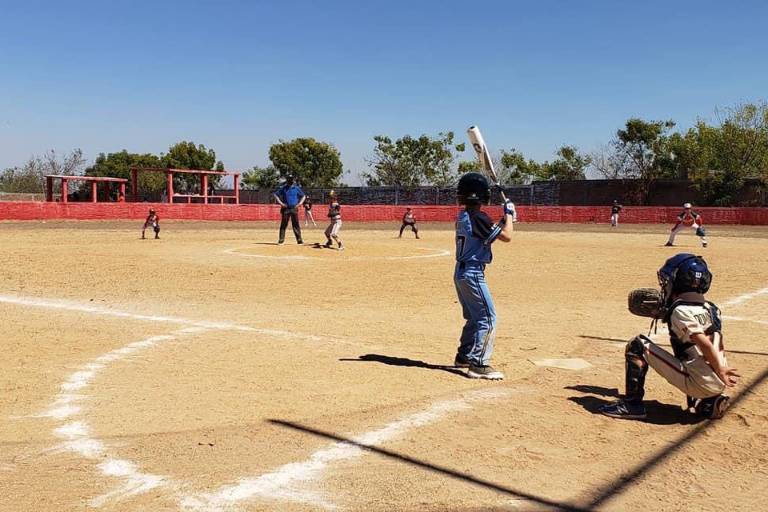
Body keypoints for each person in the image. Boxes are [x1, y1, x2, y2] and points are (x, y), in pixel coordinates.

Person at [600, 254, 739, 420]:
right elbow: (697, 325)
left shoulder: (680, 311)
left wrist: (721, 370)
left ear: (678, 281)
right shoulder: (711, 308)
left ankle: (632, 405)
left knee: (637, 345)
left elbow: (703, 343)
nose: (665, 285)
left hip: (699, 382)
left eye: (668, 281)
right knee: (694, 356)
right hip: (717, 382)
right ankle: (710, 403)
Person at [453, 173, 515, 380]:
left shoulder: (464, 216)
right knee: (487, 318)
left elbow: (487, 233)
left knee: (473, 316)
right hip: (472, 273)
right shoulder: (479, 217)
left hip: (461, 272)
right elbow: (507, 237)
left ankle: (464, 356)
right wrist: (510, 217)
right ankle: (479, 364)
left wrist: (505, 219)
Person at [273, 175, 305, 245]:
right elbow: (275, 194)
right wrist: (281, 203)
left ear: (293, 180)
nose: (290, 181)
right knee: (284, 224)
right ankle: (281, 240)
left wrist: (300, 203)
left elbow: (303, 196)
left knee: (296, 224)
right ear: (287, 180)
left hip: (294, 208)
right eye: (289, 179)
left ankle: (299, 240)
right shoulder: (283, 188)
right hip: (286, 208)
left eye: (291, 179)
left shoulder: (296, 188)